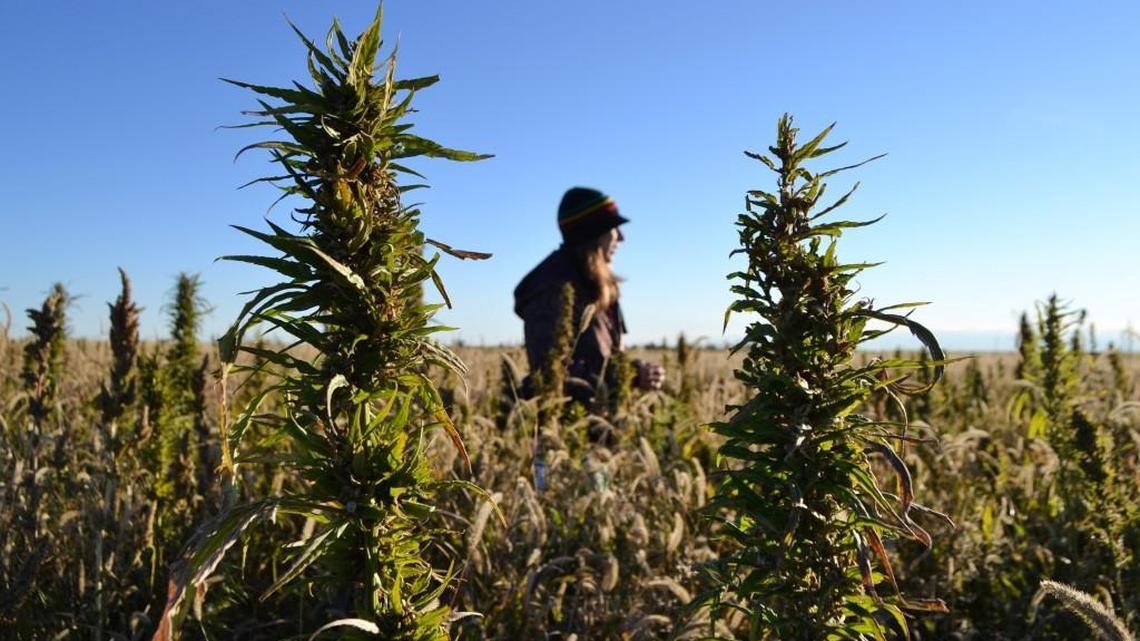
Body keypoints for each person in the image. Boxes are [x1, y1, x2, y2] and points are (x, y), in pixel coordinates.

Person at [513, 187, 665, 405]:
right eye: (614, 228)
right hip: (566, 427)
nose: (622, 237)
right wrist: (628, 374)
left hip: (598, 421)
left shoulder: (596, 285)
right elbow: (551, 372)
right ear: (593, 234)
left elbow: (606, 356)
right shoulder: (552, 289)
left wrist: (637, 371)